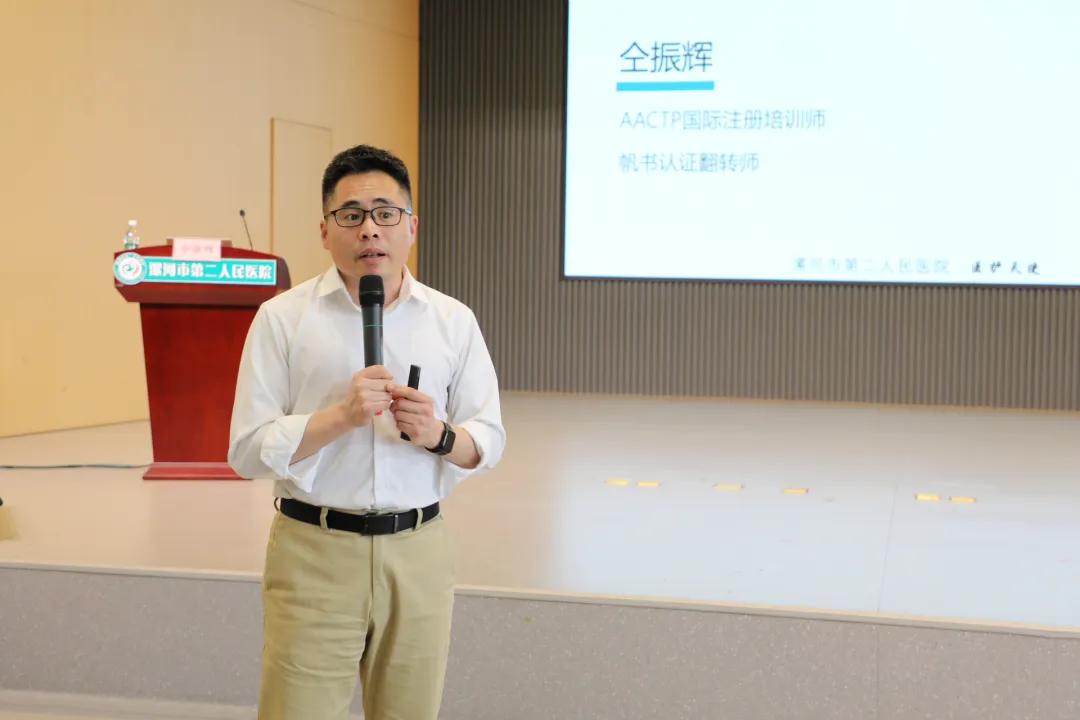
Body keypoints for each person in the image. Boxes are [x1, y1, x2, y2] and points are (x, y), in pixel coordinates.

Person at [228, 144, 505, 720]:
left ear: (412, 228)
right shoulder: (282, 318)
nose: (370, 230)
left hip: (419, 553)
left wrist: (438, 435)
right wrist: (339, 417)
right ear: (325, 231)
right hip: (314, 551)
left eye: (386, 213)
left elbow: (488, 438)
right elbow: (247, 451)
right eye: (351, 215)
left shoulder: (453, 321)